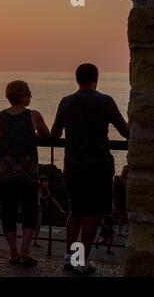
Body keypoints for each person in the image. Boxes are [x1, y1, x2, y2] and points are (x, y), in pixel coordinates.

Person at [51, 63, 129, 275]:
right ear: (96, 78)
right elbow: (125, 131)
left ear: (77, 79)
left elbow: (55, 133)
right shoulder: (105, 101)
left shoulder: (67, 102)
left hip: (73, 164)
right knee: (92, 212)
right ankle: (81, 260)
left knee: (76, 210)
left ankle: (70, 256)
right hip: (98, 165)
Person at [0, 80, 51, 266]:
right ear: (24, 96)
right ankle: (25, 250)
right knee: (30, 210)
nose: (31, 96)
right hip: (26, 169)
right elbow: (46, 135)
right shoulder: (34, 115)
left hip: (5, 168)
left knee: (8, 210)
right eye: (29, 93)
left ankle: (13, 252)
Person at [33, 175, 65, 248]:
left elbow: (52, 199)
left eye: (47, 181)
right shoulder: (35, 188)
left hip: (39, 208)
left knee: (38, 225)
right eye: (45, 181)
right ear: (41, 181)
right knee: (32, 225)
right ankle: (29, 240)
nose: (47, 183)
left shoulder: (46, 190)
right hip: (33, 207)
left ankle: (35, 241)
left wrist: (60, 209)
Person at [113, 165, 128, 236]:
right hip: (118, 199)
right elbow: (113, 189)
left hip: (125, 199)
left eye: (126, 171)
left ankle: (120, 230)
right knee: (117, 214)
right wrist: (114, 199)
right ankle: (114, 229)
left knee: (123, 215)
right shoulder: (117, 178)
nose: (124, 172)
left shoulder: (129, 179)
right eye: (124, 170)